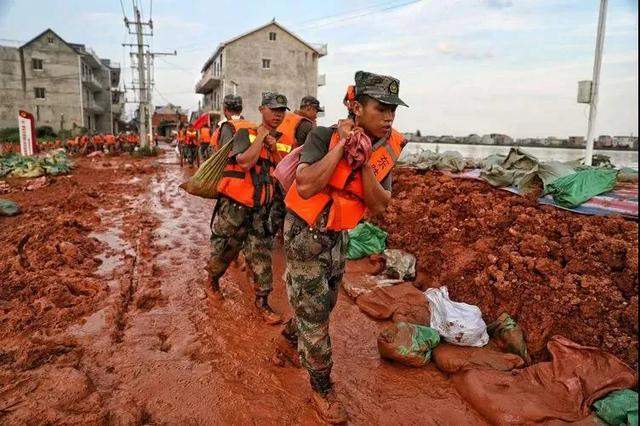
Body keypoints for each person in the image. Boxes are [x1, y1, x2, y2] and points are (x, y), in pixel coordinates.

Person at [281, 71, 408, 423]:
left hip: (337, 235)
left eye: (393, 111)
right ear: (356, 107)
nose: (388, 117)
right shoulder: (322, 135)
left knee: (325, 302)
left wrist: (365, 162)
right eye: (381, 109)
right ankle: (322, 388)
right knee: (317, 311)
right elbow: (305, 186)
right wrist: (341, 146)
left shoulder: (385, 151)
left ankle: (288, 339)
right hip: (304, 232)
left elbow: (380, 204)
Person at [206, 92, 288, 325]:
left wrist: (272, 149)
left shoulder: (276, 139)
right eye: (274, 110)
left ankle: (262, 302)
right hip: (235, 206)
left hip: (261, 209)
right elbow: (244, 161)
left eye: (282, 111)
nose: (278, 115)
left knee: (261, 253)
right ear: (262, 109)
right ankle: (212, 280)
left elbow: (282, 173)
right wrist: (262, 137)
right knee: (225, 249)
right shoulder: (243, 131)